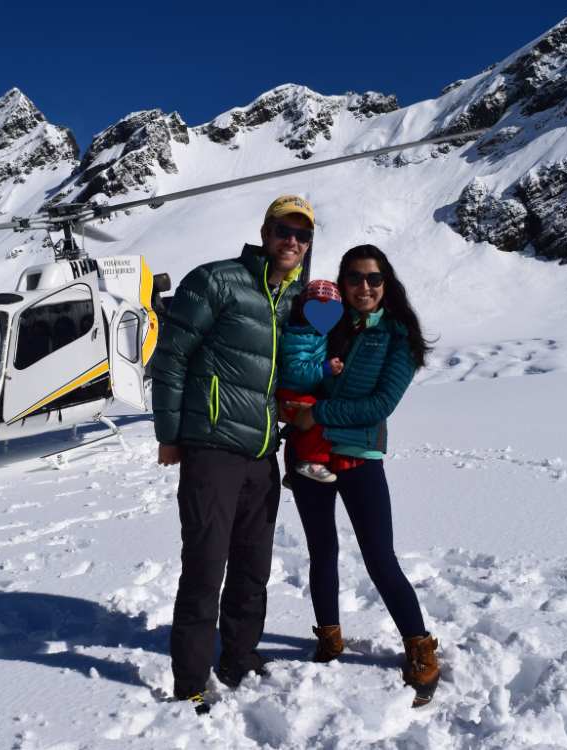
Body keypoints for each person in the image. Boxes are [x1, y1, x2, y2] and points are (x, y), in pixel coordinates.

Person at [150, 194, 311, 713]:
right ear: (264, 232)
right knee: (204, 565)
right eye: (283, 230)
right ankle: (190, 677)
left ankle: (239, 655)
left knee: (252, 566)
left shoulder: (298, 299)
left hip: (263, 451)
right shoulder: (216, 280)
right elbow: (170, 359)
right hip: (212, 447)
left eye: (301, 233)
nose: (291, 240)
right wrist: (170, 434)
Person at [282, 243, 441, 708]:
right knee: (321, 551)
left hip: (357, 457)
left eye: (373, 278)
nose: (363, 287)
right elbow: (299, 369)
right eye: (354, 278)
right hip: (308, 455)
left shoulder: (397, 336)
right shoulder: (327, 324)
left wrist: (317, 416)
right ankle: (329, 637)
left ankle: (419, 646)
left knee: (379, 557)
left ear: (386, 283)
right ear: (343, 282)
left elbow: (379, 405)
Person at [276, 279, 345, 484]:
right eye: (316, 307)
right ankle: (312, 462)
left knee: (300, 430)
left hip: (302, 391)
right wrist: (325, 369)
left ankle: (293, 472)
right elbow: (295, 370)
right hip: (291, 392)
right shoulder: (297, 335)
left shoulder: (316, 333)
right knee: (317, 416)